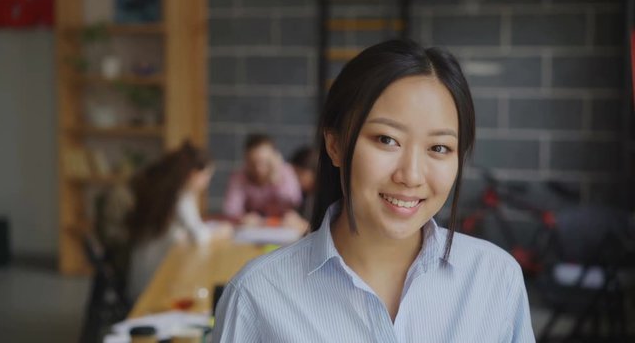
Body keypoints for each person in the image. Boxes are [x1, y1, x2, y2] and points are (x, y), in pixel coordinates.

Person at [213, 39, 535, 341]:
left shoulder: (495, 278)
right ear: (335, 144)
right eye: (386, 140)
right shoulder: (257, 294)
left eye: (439, 147)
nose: (411, 175)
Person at [125, 141, 226, 301]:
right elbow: (199, 236)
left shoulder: (165, 190)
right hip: (154, 281)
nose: (207, 182)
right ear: (193, 173)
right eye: (206, 176)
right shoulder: (181, 196)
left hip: (145, 274)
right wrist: (221, 232)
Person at [222, 133, 303, 226]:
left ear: (274, 157)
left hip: (283, 229)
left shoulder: (286, 172)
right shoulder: (239, 177)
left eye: (263, 162)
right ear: (246, 159)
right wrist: (243, 218)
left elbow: (295, 202)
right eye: (252, 163)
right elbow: (230, 210)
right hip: (252, 231)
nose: (258, 169)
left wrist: (276, 180)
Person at [289, 145, 317, 218]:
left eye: (299, 174)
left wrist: (303, 225)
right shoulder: (301, 195)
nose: (293, 179)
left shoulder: (326, 199)